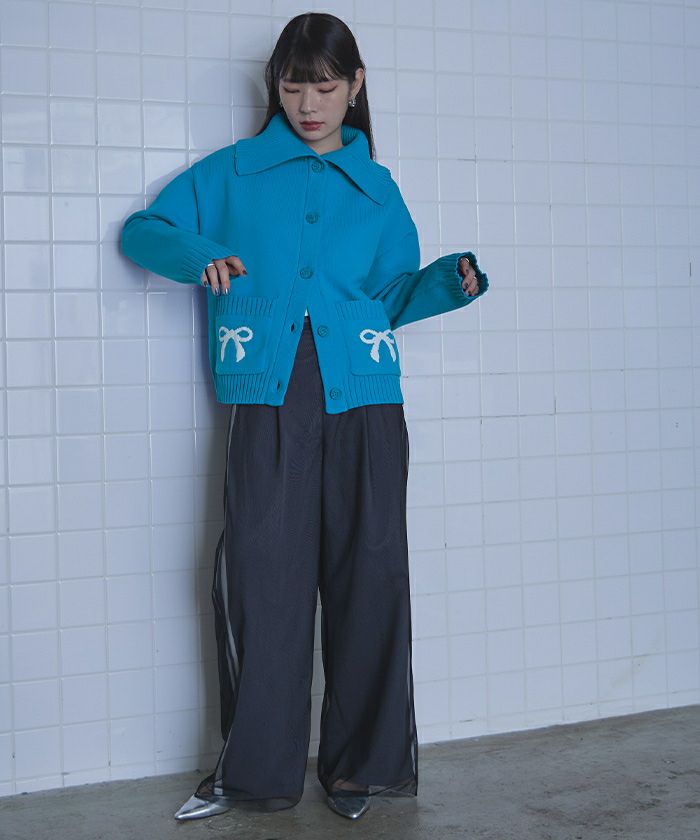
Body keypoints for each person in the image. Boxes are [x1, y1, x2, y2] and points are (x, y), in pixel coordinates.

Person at [120, 11, 488, 824]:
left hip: (368, 401)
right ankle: (252, 771)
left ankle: (361, 771)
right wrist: (199, 256)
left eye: (325, 87)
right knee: (264, 580)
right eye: (294, 87)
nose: (309, 105)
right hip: (271, 396)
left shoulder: (377, 189)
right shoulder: (234, 172)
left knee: (371, 577)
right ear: (275, 87)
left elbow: (389, 297)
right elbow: (145, 231)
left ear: (356, 86)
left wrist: (443, 284)